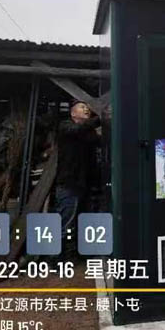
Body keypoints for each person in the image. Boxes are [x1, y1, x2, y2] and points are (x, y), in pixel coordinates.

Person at [54, 99, 101, 253]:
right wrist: (101, 118)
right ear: (73, 113)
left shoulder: (88, 133)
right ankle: (57, 258)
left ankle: (80, 254)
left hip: (84, 185)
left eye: (88, 108)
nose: (87, 109)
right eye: (82, 107)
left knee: (83, 223)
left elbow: (98, 140)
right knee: (66, 223)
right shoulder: (66, 126)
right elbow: (78, 130)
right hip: (69, 184)